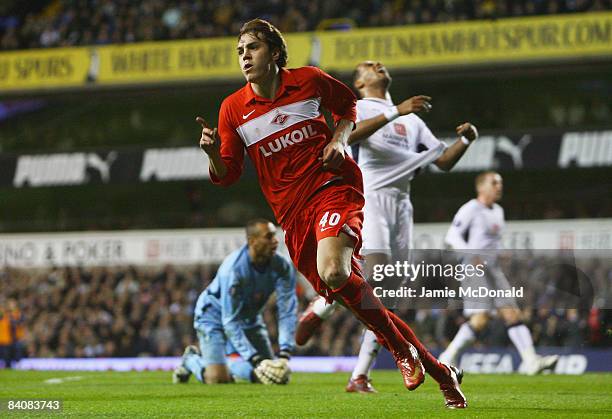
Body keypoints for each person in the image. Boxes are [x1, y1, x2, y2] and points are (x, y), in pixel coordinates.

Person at [197, 19, 466, 408]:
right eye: (240, 51)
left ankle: (399, 352)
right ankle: (441, 371)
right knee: (357, 296)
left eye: (252, 48)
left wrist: (339, 139)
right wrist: (210, 154)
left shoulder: (309, 80)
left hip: (333, 187)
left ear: (274, 52)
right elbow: (227, 175)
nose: (244, 56)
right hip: (292, 216)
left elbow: (348, 107)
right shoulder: (232, 109)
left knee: (336, 272)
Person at [295, 60, 479, 393]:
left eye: (379, 64)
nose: (377, 66)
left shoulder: (414, 120)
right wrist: (396, 111)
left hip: (402, 204)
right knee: (376, 277)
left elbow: (443, 161)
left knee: (387, 294)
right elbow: (348, 135)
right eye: (369, 66)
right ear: (360, 82)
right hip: (371, 196)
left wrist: (465, 141)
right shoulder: (360, 106)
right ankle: (322, 304)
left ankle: (360, 375)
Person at [440, 171, 559, 374]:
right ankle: (446, 358)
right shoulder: (471, 208)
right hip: (474, 268)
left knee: (512, 313)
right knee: (481, 318)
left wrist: (501, 253)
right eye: (494, 182)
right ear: (481, 187)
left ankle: (531, 361)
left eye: (500, 183)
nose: (499, 186)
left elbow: (491, 242)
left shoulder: (498, 211)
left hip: (493, 269)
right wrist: (472, 255)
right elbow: (452, 236)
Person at [173, 218, 297, 384]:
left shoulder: (282, 266)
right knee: (218, 378)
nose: (275, 241)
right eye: (269, 237)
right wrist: (254, 360)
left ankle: (235, 368)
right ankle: (191, 360)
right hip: (214, 316)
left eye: (275, 236)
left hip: (249, 317)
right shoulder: (234, 270)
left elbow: (287, 310)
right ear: (252, 241)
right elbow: (230, 321)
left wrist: (284, 353)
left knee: (275, 377)